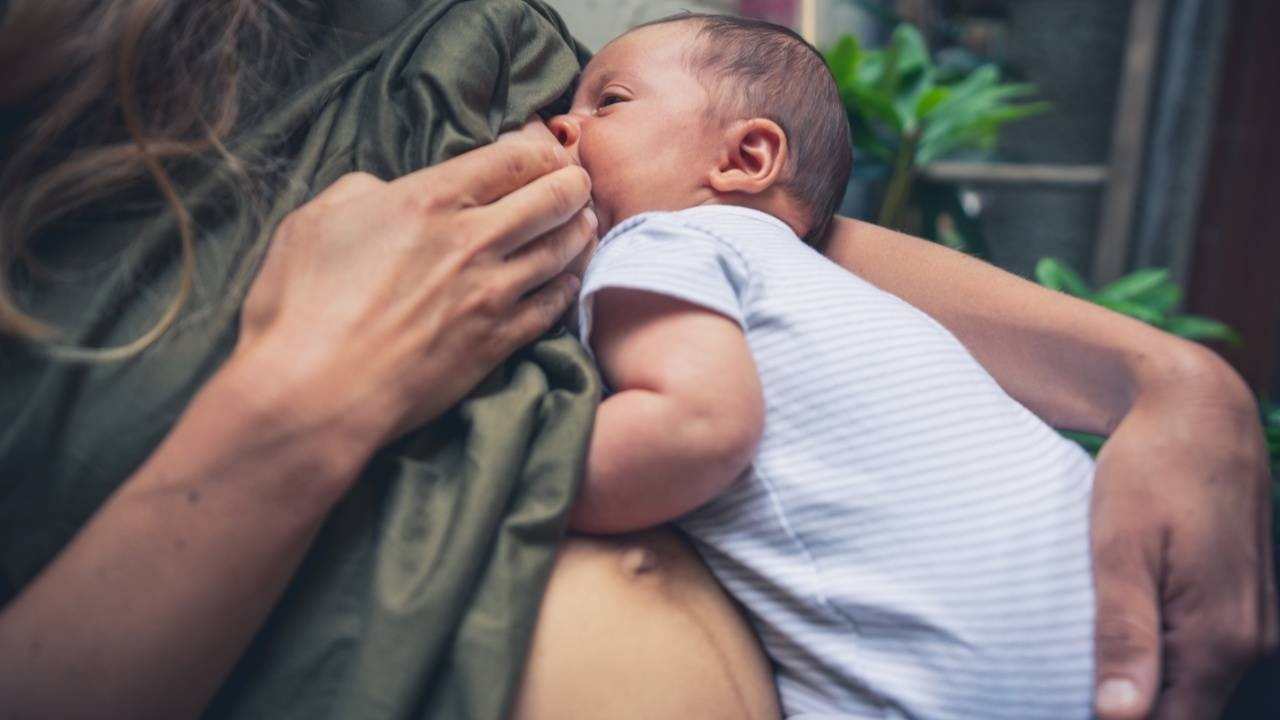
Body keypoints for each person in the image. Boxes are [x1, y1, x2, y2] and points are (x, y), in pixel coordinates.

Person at [0, 2, 1272, 720]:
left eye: (595, 105)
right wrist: (308, 404)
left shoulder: (391, 35)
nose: (561, 126)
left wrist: (1158, 376)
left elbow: (755, 226)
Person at [558, 13, 1095, 718]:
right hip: (1094, 608)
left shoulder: (664, 238)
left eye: (609, 101)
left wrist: (505, 476)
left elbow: (695, 425)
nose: (561, 128)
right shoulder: (841, 290)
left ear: (746, 158)